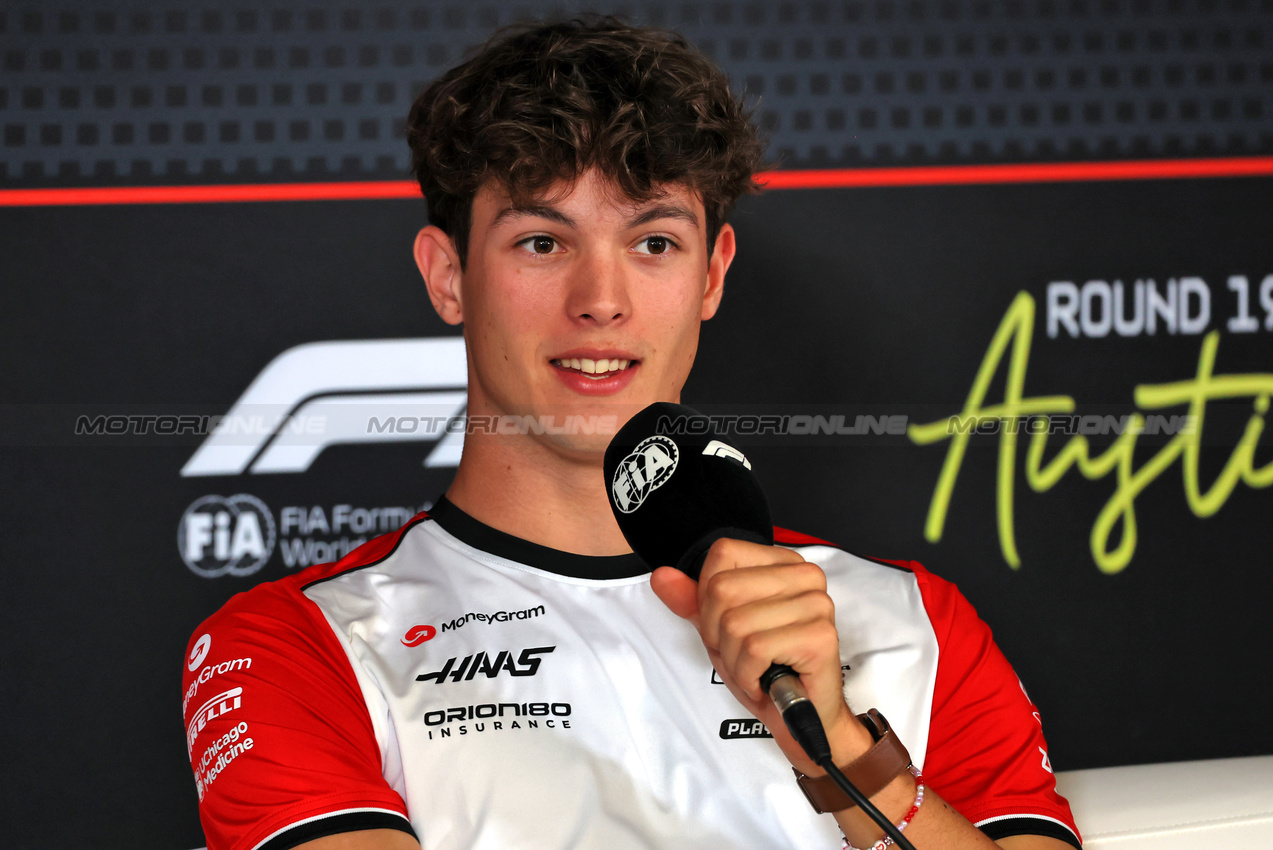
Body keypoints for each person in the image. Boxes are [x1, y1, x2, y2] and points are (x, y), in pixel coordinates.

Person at [181, 18, 1081, 850]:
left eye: (653, 243)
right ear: (448, 275)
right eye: (542, 242)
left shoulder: (914, 622)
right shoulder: (302, 646)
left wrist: (838, 747)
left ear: (711, 275)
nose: (601, 301)